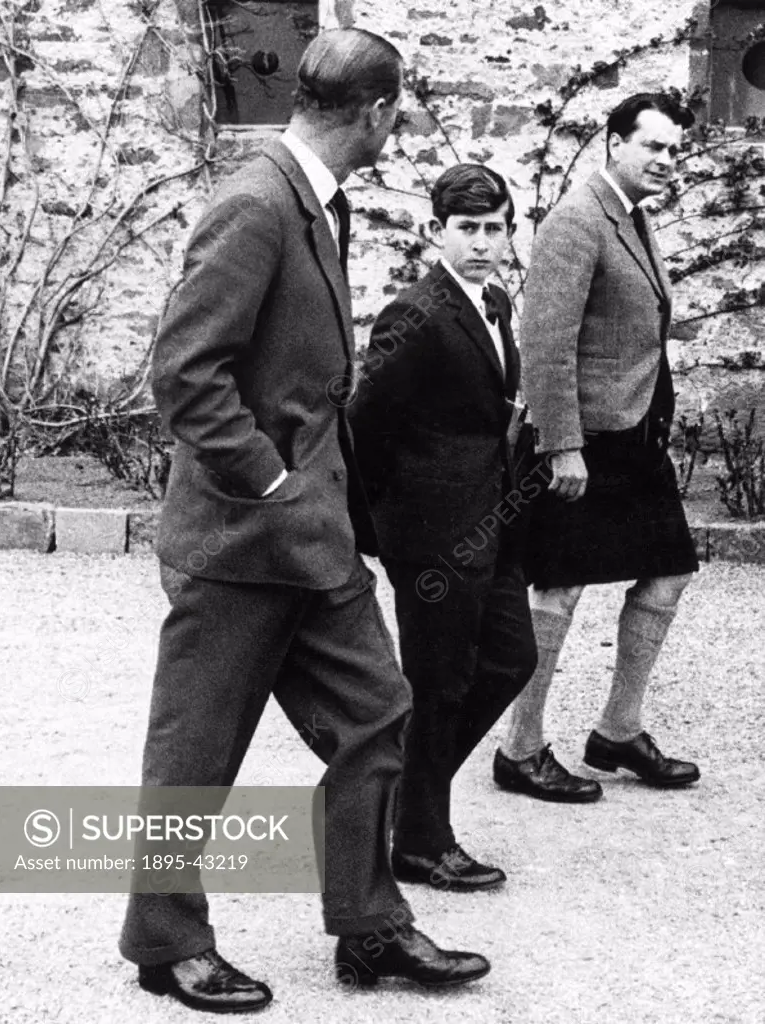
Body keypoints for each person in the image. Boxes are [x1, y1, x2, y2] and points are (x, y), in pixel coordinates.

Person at [119, 29, 490, 1015]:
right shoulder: (253, 205)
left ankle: (368, 928)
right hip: (242, 541)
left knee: (378, 711)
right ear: (374, 113)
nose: (392, 128)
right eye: (393, 114)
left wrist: (314, 499)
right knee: (194, 752)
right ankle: (166, 943)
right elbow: (184, 375)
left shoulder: (311, 201)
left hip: (310, 536)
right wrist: (274, 482)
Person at [494, 93, 701, 803]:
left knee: (668, 573)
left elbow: (618, 319)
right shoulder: (576, 219)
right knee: (558, 587)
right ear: (612, 143)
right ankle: (519, 749)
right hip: (584, 443)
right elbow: (544, 345)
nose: (664, 162)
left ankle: (617, 731)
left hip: (633, 436)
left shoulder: (632, 217)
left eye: (673, 150)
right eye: (652, 146)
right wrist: (560, 448)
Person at [350, 164, 537, 892]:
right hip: (432, 536)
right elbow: (364, 426)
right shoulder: (416, 314)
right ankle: (423, 841)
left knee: (508, 658)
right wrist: (386, 529)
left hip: (490, 525)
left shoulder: (493, 301)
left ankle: (398, 800)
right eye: (468, 229)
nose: (484, 243)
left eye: (495, 229)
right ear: (437, 233)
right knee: (437, 684)